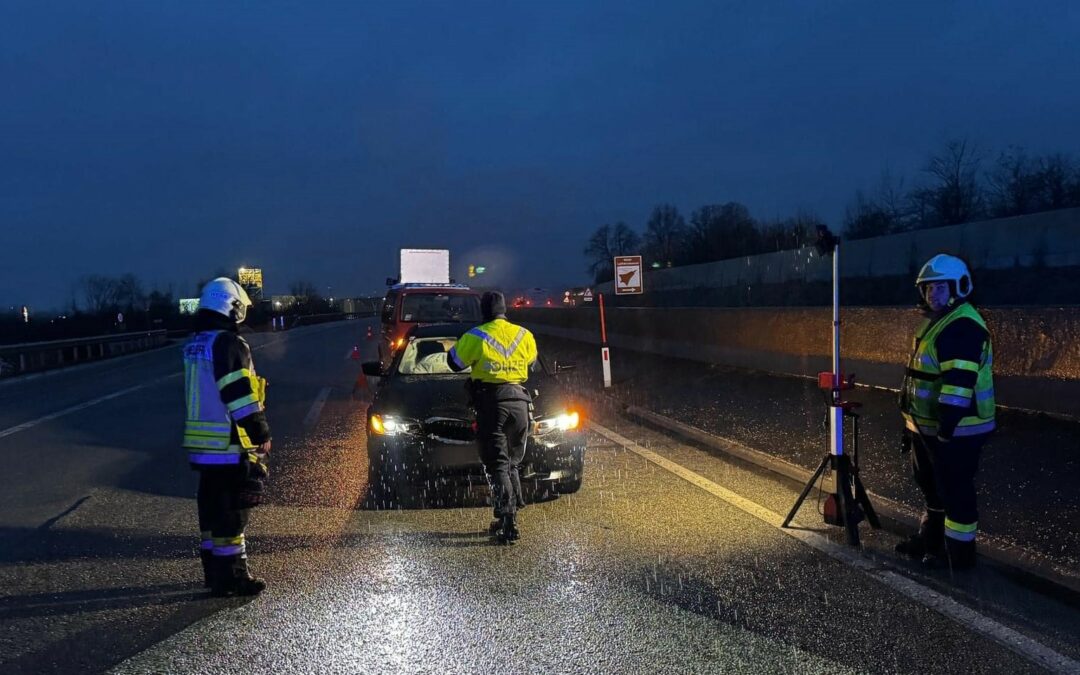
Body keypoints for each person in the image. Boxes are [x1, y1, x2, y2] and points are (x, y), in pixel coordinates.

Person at [896, 254, 995, 570]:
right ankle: (932, 543)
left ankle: (960, 560)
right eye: (927, 289)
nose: (932, 295)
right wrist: (909, 424)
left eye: (939, 288)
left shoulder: (963, 326)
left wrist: (945, 429)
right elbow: (918, 377)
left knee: (955, 494)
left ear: (959, 287)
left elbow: (957, 386)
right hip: (926, 427)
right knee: (931, 488)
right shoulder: (936, 322)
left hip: (957, 430)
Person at [182, 278, 272, 596]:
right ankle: (233, 577)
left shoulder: (196, 342)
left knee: (211, 513)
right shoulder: (228, 343)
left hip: (202, 447)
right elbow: (238, 394)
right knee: (232, 515)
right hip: (227, 445)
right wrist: (259, 431)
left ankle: (214, 573)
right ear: (231, 306)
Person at [447, 290, 537, 544]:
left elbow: (454, 362)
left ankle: (508, 518)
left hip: (492, 403)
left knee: (497, 463)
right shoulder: (524, 334)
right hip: (520, 403)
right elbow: (530, 361)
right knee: (511, 463)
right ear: (505, 309)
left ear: (484, 311)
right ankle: (509, 512)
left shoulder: (476, 335)